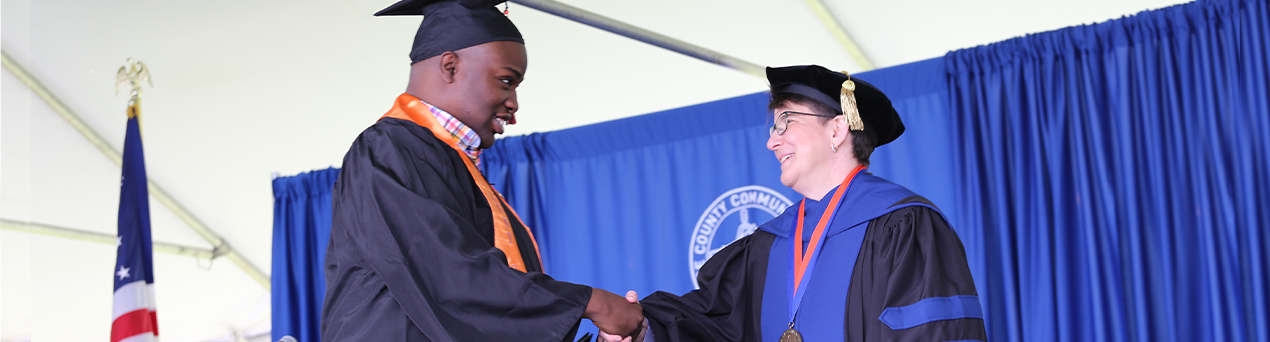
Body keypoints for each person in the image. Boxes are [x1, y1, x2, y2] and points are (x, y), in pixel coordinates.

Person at [321, 0, 644, 340]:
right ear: (450, 67)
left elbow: (495, 318)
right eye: (506, 81)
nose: (514, 105)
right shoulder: (390, 149)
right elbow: (451, 278)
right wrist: (594, 304)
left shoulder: (455, 167)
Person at [602, 65, 986, 342]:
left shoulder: (903, 226)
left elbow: (938, 332)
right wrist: (641, 326)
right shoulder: (767, 245)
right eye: (773, 127)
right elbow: (713, 324)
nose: (773, 141)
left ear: (837, 129)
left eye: (785, 121)